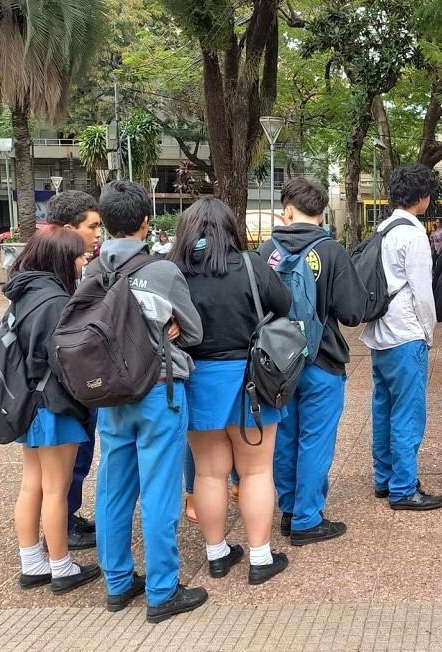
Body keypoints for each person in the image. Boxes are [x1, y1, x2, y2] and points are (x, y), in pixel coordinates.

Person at [91, 180, 207, 623]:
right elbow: (193, 333)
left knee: (113, 487)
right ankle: (162, 591)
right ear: (145, 222)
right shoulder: (160, 272)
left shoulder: (91, 271)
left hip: (109, 392)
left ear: (104, 222)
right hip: (159, 389)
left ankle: (117, 583)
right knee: (159, 488)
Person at [169, 197, 291, 584]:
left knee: (207, 473)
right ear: (230, 228)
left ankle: (217, 553)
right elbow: (284, 304)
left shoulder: (174, 271)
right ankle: (259, 557)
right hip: (249, 381)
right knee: (256, 472)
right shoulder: (252, 265)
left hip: (197, 379)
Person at [258, 178, 368, 545]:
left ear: (287, 208)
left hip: (275, 365)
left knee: (284, 438)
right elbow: (353, 312)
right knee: (316, 440)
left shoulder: (264, 252)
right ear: (321, 212)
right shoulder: (331, 251)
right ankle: (307, 519)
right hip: (322, 360)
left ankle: (289, 510)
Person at [5, 227, 100, 595]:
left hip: (28, 403)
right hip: (54, 406)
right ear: (61, 258)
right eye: (78, 256)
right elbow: (64, 361)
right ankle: (61, 566)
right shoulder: (55, 301)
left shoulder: (24, 293)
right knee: (56, 490)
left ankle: (32, 562)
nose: (83, 261)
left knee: (32, 485)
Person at [360, 164, 442, 510]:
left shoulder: (383, 229)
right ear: (423, 198)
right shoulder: (413, 234)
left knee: (383, 408)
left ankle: (385, 479)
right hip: (406, 333)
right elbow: (423, 294)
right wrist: (430, 332)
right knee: (407, 413)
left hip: (379, 335)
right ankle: (404, 488)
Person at [43, 189, 103, 549]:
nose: (98, 234)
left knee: (74, 461)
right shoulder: (54, 285)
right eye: (92, 226)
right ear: (68, 228)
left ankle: (68, 517)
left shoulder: (68, 271)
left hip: (71, 388)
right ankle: (61, 528)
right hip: (64, 391)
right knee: (64, 466)